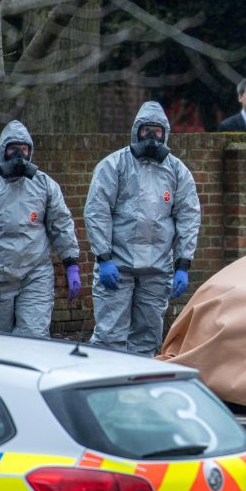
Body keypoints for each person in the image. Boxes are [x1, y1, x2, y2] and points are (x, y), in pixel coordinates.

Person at [85, 102, 201, 357]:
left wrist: (183, 264)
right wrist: (104, 257)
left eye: (157, 131)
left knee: (148, 339)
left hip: (157, 270)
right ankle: (103, 391)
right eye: (146, 130)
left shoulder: (177, 171)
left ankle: (137, 392)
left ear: (165, 133)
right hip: (117, 267)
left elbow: (189, 217)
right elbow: (97, 212)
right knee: (109, 339)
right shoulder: (113, 166)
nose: (151, 136)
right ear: (136, 131)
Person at [0, 120, 80, 338]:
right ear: (3, 150)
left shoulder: (44, 185)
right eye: (14, 149)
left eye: (24, 150)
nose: (19, 155)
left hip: (34, 275)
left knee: (33, 337)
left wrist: (71, 263)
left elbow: (61, 224)